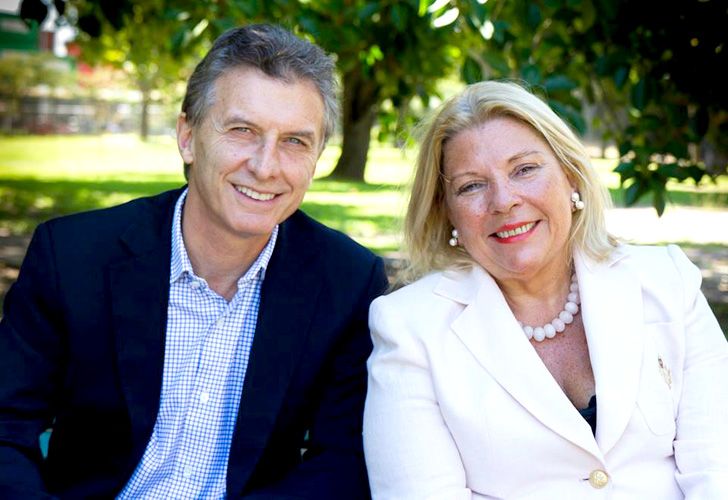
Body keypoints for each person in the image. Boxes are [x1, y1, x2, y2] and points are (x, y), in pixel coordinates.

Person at [0, 24, 388, 499]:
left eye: (295, 141)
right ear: (188, 136)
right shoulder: (74, 257)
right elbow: (5, 425)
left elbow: (343, 460)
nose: (265, 166)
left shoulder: (349, 282)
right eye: (242, 131)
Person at [363, 80, 728, 499]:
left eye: (524, 169)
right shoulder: (410, 327)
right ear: (446, 213)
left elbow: (717, 468)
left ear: (570, 176)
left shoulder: (667, 280)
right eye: (471, 186)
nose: (504, 201)